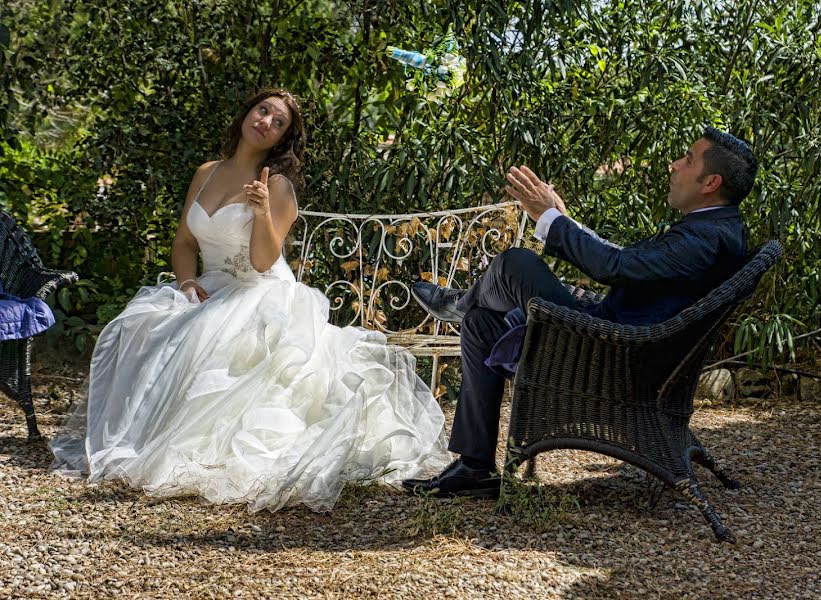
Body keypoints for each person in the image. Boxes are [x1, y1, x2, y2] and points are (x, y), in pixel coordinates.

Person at [49, 88, 450, 512]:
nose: (266, 123)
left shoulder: (275, 185)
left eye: (279, 123)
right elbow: (184, 242)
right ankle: (141, 432)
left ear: (281, 140)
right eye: (264, 112)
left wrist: (261, 212)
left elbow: (262, 262)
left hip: (260, 292)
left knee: (211, 346)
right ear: (247, 112)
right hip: (208, 288)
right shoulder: (206, 172)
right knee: (143, 325)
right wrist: (186, 285)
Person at [402, 126, 757, 499]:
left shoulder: (703, 240)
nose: (674, 165)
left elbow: (615, 267)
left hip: (611, 356)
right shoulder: (716, 230)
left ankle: (455, 304)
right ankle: (475, 467)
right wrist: (562, 220)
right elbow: (631, 264)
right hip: (618, 341)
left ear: (710, 182)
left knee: (515, 264)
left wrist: (550, 219)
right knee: (481, 323)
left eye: (687, 160)